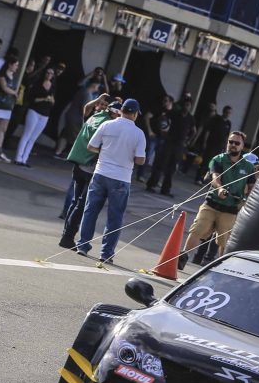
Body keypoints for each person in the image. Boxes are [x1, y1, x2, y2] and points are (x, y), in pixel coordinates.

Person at [75, 99, 146, 264]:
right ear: (135, 114)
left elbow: (91, 146)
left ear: (121, 110)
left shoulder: (107, 125)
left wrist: (104, 151)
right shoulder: (138, 133)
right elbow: (140, 160)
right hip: (121, 177)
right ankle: (106, 253)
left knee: (90, 210)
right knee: (115, 217)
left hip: (101, 172)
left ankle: (83, 245)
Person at [179, 131, 256, 270]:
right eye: (230, 142)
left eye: (237, 143)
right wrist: (220, 189)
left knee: (225, 242)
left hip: (230, 209)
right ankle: (183, 256)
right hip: (212, 204)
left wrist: (246, 200)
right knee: (197, 229)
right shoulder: (218, 159)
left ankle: (223, 268)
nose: (233, 145)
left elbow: (252, 186)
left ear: (242, 146)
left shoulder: (248, 167)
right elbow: (215, 177)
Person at [58, 93, 115, 248]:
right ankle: (67, 237)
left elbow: (86, 108)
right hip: (90, 168)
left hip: (78, 164)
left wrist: (97, 100)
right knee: (81, 205)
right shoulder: (107, 124)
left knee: (75, 201)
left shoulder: (95, 117)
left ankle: (66, 235)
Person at [147, 93, 195, 196]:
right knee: (161, 164)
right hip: (169, 142)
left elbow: (194, 131)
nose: (186, 107)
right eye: (185, 104)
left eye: (188, 105)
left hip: (179, 145)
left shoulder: (190, 118)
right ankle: (151, 185)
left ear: (190, 106)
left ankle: (165, 189)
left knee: (172, 168)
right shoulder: (175, 113)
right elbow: (163, 119)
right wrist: (164, 131)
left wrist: (188, 141)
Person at [15, 66, 56, 167]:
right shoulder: (38, 84)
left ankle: (24, 159)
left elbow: (53, 101)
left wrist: (51, 100)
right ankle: (18, 158)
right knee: (27, 134)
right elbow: (32, 99)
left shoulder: (52, 86)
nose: (49, 75)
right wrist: (44, 99)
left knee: (33, 138)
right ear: (44, 73)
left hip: (45, 114)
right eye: (47, 72)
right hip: (34, 111)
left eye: (51, 73)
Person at [140, 94, 173, 183]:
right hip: (155, 136)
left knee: (159, 159)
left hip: (164, 138)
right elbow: (146, 116)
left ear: (170, 102)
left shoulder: (172, 113)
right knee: (147, 156)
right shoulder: (158, 109)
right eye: (163, 100)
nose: (164, 102)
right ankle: (141, 175)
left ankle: (154, 178)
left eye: (166, 101)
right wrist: (150, 131)